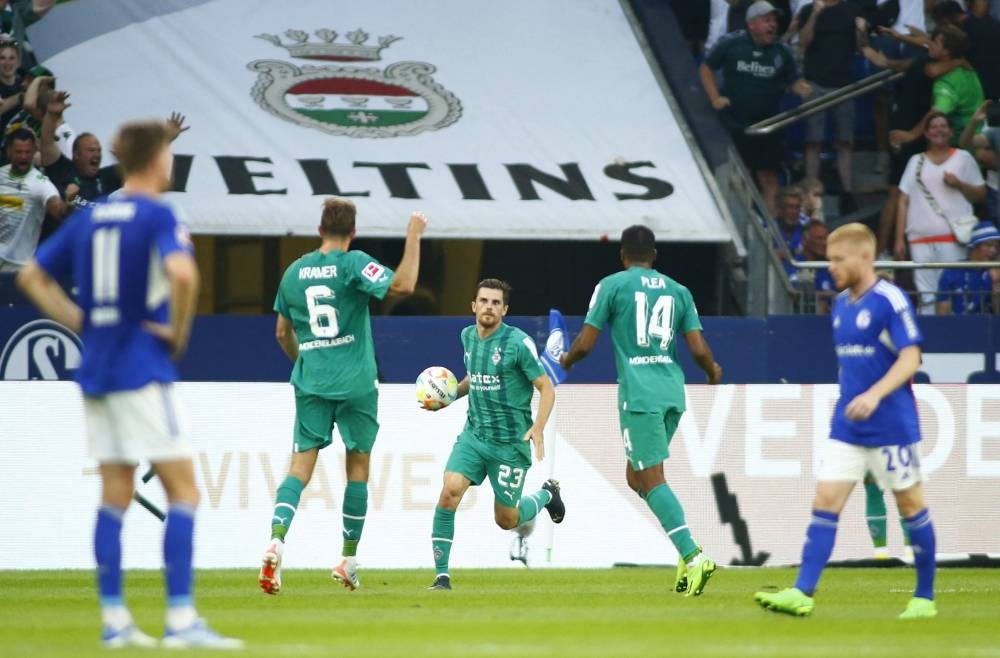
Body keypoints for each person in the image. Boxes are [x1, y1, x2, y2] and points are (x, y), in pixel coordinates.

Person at [14, 119, 242, 648]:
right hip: (143, 367)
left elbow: (30, 276)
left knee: (114, 493)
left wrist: (82, 322)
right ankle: (181, 620)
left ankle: (115, 620)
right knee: (183, 491)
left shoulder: (92, 217)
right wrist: (177, 334)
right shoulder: (159, 213)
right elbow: (184, 275)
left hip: (97, 369)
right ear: (159, 159)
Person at [754, 223, 938, 619]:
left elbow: (911, 358)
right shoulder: (840, 305)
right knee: (825, 501)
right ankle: (803, 592)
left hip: (891, 425)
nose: (832, 268)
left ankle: (924, 598)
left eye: (839, 260)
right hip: (848, 426)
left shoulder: (890, 300)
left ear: (865, 257)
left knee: (911, 506)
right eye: (829, 260)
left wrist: (874, 395)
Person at [258, 198, 427, 595]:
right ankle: (348, 560)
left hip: (312, 382)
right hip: (356, 383)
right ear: (352, 233)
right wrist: (414, 235)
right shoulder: (353, 264)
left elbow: (282, 333)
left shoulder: (294, 272)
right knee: (358, 468)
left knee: (299, 469)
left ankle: (276, 541)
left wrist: (307, 362)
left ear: (319, 230)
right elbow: (403, 285)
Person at [559, 225, 722, 597]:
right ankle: (686, 559)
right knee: (637, 476)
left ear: (622, 255)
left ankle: (693, 555)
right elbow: (697, 347)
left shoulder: (612, 285)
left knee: (650, 478)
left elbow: (586, 342)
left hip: (640, 395)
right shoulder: (679, 291)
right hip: (672, 393)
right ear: (654, 255)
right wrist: (712, 371)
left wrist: (566, 359)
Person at [427, 279, 562, 591]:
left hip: (510, 445)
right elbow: (474, 378)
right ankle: (441, 576)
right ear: (474, 305)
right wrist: (447, 398)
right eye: (483, 301)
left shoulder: (517, 343)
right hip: (474, 435)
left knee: (506, 519)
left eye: (495, 302)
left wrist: (538, 426)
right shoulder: (467, 337)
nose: (489, 306)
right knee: (450, 490)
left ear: (505, 309)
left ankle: (546, 495)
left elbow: (546, 387)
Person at [701, 0, 811, 213]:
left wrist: (800, 87)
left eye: (774, 21)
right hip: (736, 124)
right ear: (752, 24)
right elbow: (706, 68)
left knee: (769, 177)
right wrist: (715, 98)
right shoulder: (731, 43)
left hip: (768, 125)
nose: (773, 25)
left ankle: (771, 231)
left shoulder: (782, 51)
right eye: (767, 20)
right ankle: (740, 220)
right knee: (741, 175)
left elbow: (792, 80)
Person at [896, 111, 986, 314]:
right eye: (934, 127)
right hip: (918, 237)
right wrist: (898, 239)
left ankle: (952, 341)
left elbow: (980, 195)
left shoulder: (963, 158)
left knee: (952, 292)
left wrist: (959, 184)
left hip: (952, 237)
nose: (939, 130)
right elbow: (903, 200)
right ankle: (931, 342)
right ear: (926, 134)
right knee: (926, 295)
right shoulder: (915, 161)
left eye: (943, 126)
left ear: (951, 132)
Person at [795, 0, 863, 214]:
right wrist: (815, 15)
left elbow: (862, 47)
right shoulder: (808, 10)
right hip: (814, 83)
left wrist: (861, 30)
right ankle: (811, 194)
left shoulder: (852, 9)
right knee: (813, 142)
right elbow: (803, 43)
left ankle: (847, 193)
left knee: (844, 142)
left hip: (843, 84)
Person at [0, 127, 67, 272]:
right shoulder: (1, 175)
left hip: (17, 266)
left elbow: (55, 205)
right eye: (19, 152)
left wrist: (67, 204)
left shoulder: (39, 182)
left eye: (28, 152)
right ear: (9, 151)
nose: (24, 157)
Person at [936, 221, 1000, 315]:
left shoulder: (995, 272)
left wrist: (996, 283)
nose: (993, 250)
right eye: (988, 245)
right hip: (957, 326)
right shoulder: (952, 271)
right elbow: (942, 312)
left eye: (996, 247)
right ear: (974, 246)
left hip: (987, 328)